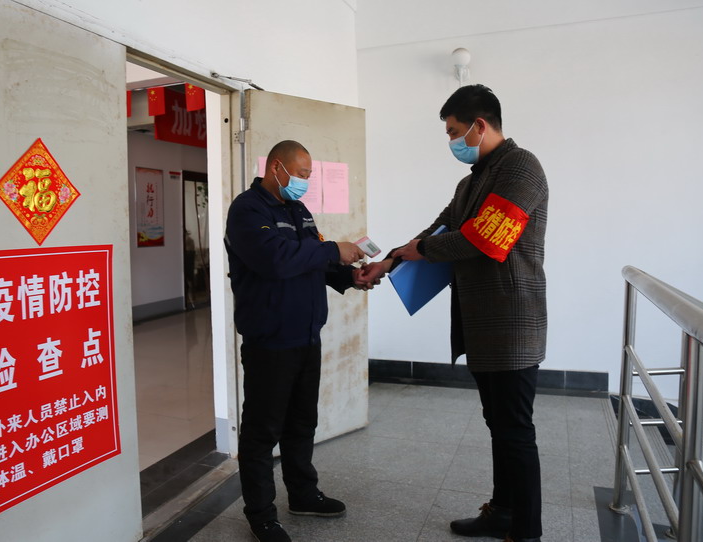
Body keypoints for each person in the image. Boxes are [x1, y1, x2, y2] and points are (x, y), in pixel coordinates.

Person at [360, 84, 548, 542]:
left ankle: (526, 531)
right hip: (482, 320)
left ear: (480, 125)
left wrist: (424, 250)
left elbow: (487, 237)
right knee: (499, 425)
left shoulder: (521, 167)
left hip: (512, 322)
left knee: (514, 430)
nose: (451, 142)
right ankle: (502, 512)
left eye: (453, 131)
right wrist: (391, 260)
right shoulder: (471, 181)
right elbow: (439, 229)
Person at [225, 140, 375, 542]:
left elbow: (313, 261)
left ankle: (303, 494)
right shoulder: (247, 210)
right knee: (262, 432)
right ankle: (261, 515)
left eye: (309, 175)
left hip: (307, 336)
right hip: (270, 340)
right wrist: (333, 249)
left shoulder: (299, 210)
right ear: (276, 167)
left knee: (301, 422)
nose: (305, 181)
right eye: (302, 173)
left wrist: (350, 276)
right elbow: (276, 260)